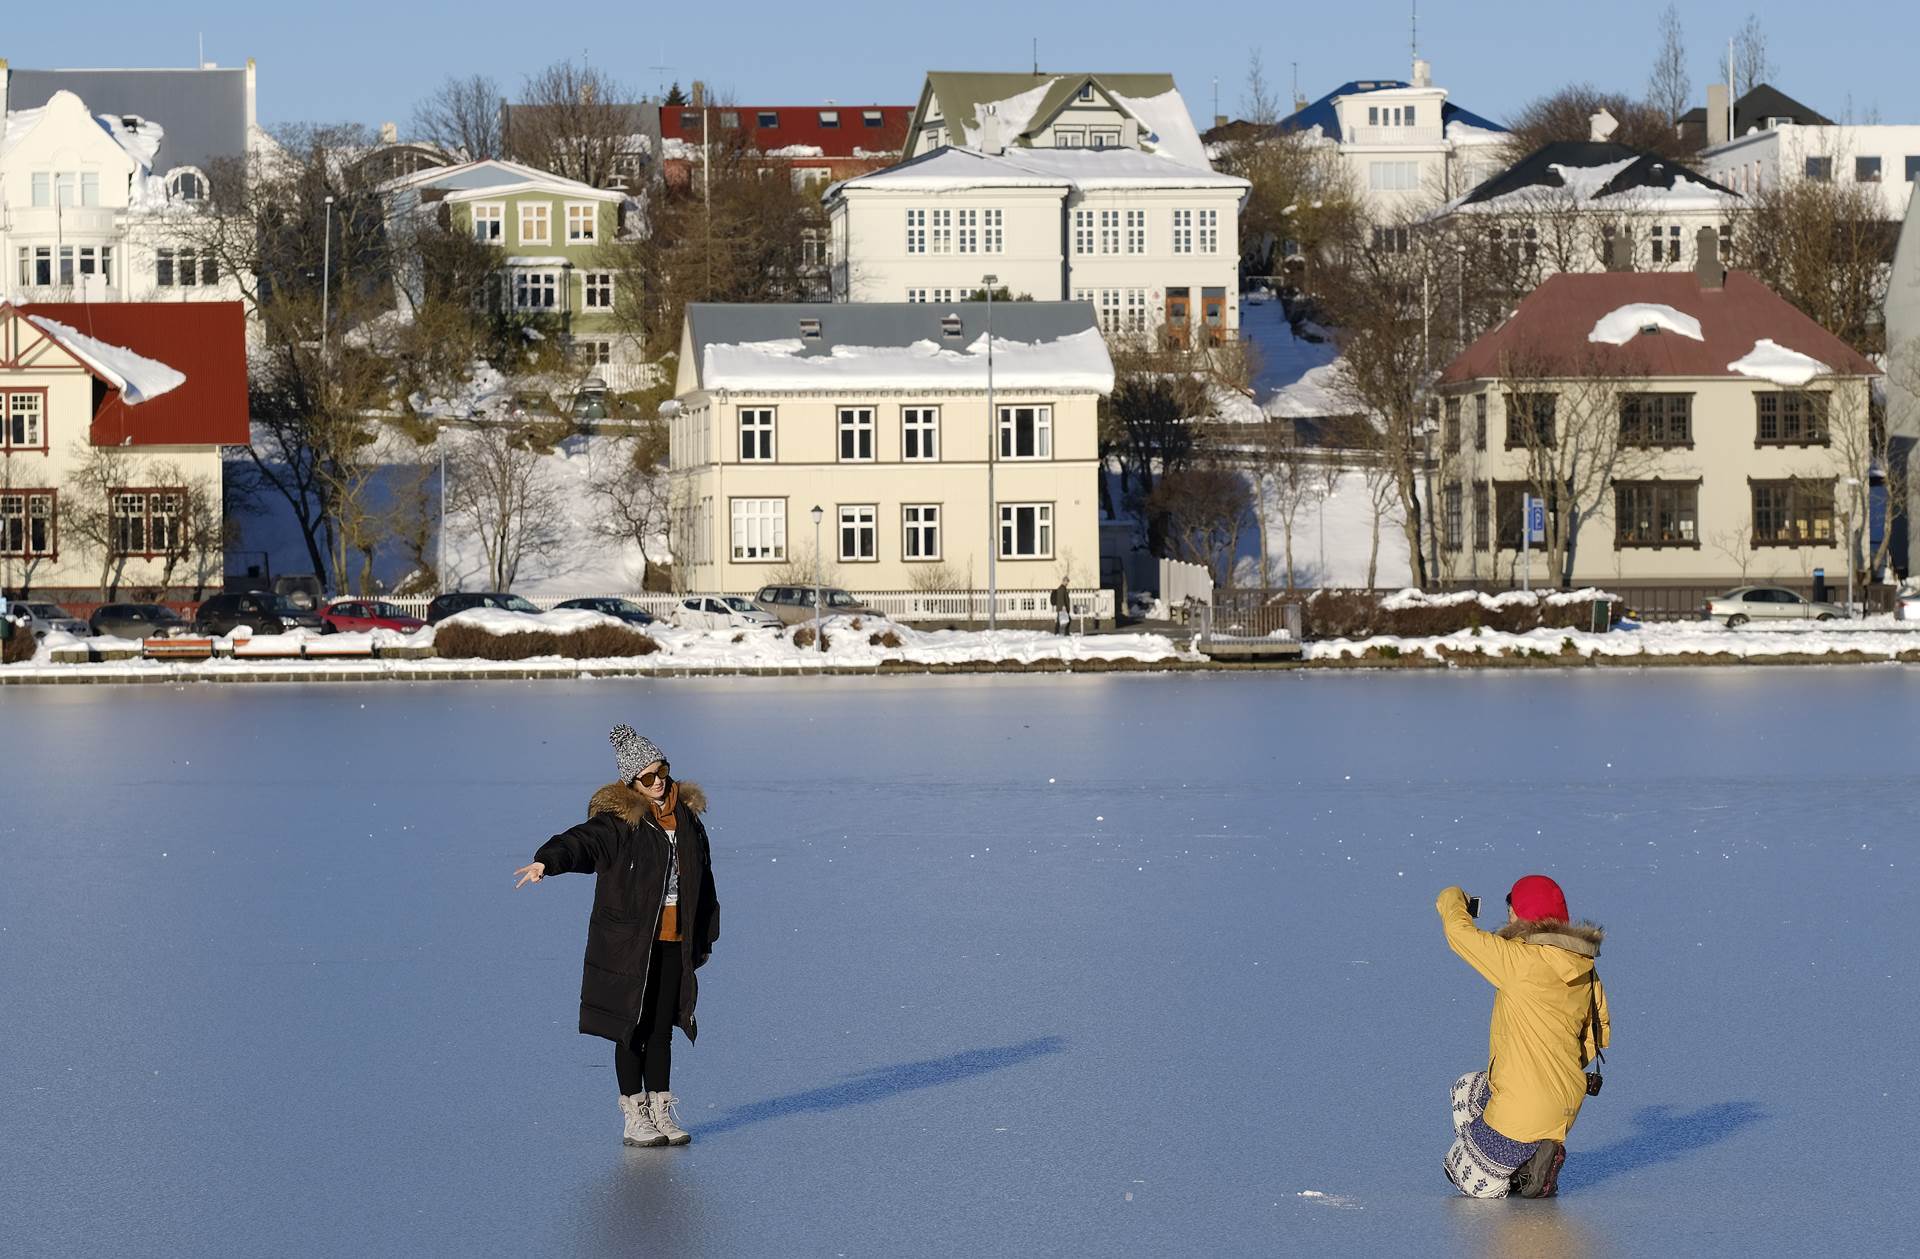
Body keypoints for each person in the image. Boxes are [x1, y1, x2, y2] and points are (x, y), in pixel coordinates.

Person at [514, 725, 720, 1148]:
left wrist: (705, 929)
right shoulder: (619, 824)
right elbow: (579, 842)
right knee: (632, 1027)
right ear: (632, 783)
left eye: (661, 771)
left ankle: (661, 1110)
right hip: (629, 945)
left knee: (663, 1027)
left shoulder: (687, 819)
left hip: (673, 940)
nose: (658, 781)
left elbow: (705, 877)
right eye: (647, 777)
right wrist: (545, 863)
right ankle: (634, 1114)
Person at [1436, 875, 1609, 1199]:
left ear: (1528, 917)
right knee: (1466, 1090)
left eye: (1512, 910)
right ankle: (1526, 1153)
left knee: (1457, 1173)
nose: (1509, 917)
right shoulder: (1583, 967)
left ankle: (1523, 1175)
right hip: (1566, 1103)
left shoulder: (1520, 962)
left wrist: (1452, 896)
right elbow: (1594, 1037)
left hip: (1523, 1110)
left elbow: (1458, 933)